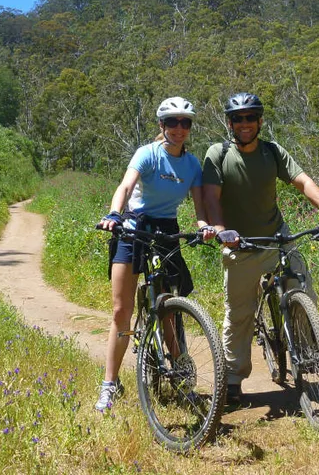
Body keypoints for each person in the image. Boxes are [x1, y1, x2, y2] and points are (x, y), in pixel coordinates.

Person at [202, 92, 319, 405]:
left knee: (301, 288)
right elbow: (211, 197)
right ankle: (233, 379)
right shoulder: (218, 153)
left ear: (259, 121)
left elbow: (303, 181)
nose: (244, 124)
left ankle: (306, 351)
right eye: (238, 118)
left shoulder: (272, 152)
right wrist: (222, 230)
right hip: (239, 243)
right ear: (229, 123)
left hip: (275, 235)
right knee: (239, 315)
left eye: (250, 117)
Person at [95, 96, 215, 411]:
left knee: (169, 309)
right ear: (162, 125)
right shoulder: (147, 154)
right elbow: (124, 186)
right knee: (122, 311)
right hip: (134, 226)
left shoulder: (192, 164)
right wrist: (113, 214)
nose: (179, 128)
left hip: (166, 229)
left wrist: (204, 225)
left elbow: (199, 205)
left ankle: (178, 374)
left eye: (185, 123)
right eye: (172, 122)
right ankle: (110, 383)